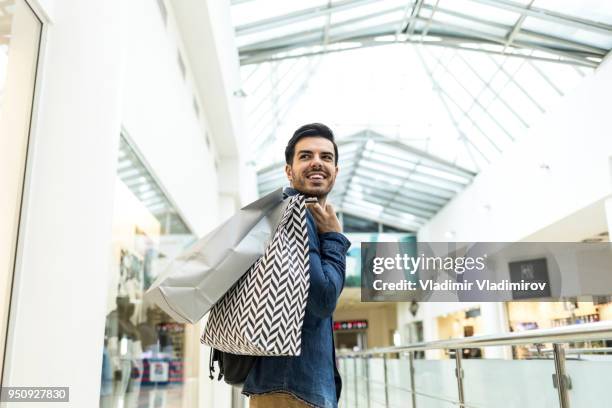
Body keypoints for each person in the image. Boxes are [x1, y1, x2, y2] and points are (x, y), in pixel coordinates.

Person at [242, 123, 351, 408]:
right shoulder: (295, 216)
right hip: (290, 389)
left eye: (326, 157)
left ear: (336, 171)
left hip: (288, 387)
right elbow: (323, 298)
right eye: (306, 156)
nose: (317, 161)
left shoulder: (304, 216)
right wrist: (335, 238)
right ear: (288, 170)